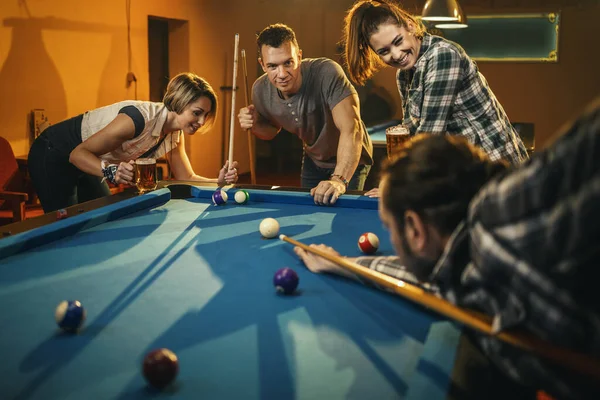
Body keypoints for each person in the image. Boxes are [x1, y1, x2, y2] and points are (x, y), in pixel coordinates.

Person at [294, 97, 600, 399]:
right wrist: (344, 264)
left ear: (414, 229)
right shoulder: (457, 268)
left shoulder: (500, 212)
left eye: (390, 226)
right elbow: (423, 280)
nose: (393, 241)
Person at [343, 0, 529, 167]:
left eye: (398, 41)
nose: (397, 54)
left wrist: (396, 183)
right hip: (466, 171)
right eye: (384, 51)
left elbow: (428, 138)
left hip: (496, 168)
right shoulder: (403, 75)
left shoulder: (443, 55)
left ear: (410, 26)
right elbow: (411, 132)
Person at [28, 72, 239, 213]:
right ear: (180, 104)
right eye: (197, 113)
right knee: (68, 224)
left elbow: (187, 177)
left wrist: (218, 182)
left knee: (106, 216)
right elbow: (77, 155)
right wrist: (111, 171)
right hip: (54, 152)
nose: (202, 122)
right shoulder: (137, 119)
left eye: (206, 115)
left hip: (92, 160)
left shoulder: (175, 135)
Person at [238, 23, 373, 205]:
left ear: (299, 56)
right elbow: (270, 131)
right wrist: (254, 124)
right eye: (272, 66)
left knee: (342, 215)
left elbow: (352, 129)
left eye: (288, 62)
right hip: (313, 158)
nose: (282, 74)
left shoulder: (326, 72)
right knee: (307, 211)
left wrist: (339, 180)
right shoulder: (260, 90)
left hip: (351, 158)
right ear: (262, 64)